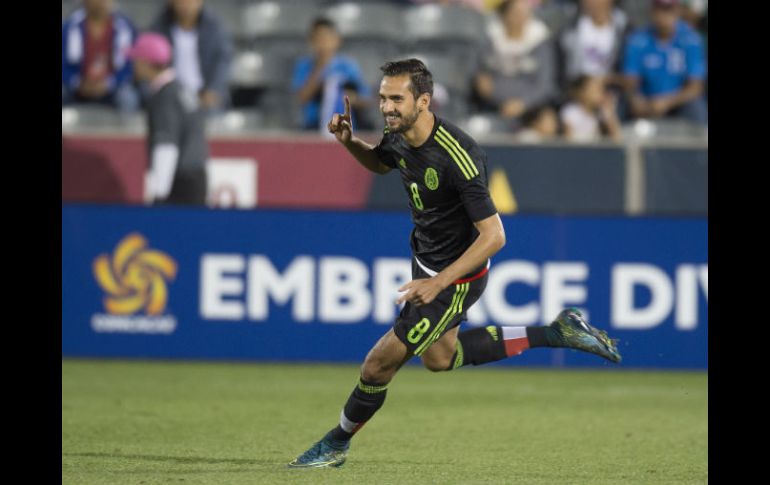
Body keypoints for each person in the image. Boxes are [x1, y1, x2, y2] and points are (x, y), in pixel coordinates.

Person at [288, 58, 621, 469]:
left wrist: (441, 283)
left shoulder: (457, 156)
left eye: (396, 98)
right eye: (382, 98)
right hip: (427, 263)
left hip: (457, 274)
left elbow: (495, 236)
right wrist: (349, 143)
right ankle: (555, 333)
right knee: (440, 358)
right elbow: (380, 163)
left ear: (423, 100)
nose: (386, 107)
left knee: (377, 366)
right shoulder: (399, 135)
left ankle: (335, 444)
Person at [125, 33, 209, 206]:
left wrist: (159, 194)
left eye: (136, 59)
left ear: (146, 62)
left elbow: (166, 145)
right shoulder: (181, 89)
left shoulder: (164, 96)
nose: (133, 64)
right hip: (196, 177)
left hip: (179, 183)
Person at [620, 0, 707, 124]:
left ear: (678, 11)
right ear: (652, 11)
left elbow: (696, 86)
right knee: (622, 104)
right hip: (647, 101)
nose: (665, 15)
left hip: (678, 102)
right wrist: (637, 100)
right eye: (660, 9)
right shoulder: (638, 39)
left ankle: (700, 142)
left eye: (669, 9)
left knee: (696, 107)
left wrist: (666, 102)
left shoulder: (691, 39)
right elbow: (630, 81)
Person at [472, 0, 557, 125]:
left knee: (547, 122)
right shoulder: (490, 37)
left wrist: (522, 104)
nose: (520, 18)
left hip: (531, 109)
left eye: (524, 13)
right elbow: (479, 73)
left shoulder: (540, 41)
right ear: (504, 15)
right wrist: (481, 81)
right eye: (515, 13)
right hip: (493, 106)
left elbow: (545, 85)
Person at [150, 0, 233, 114]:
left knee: (213, 112)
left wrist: (213, 89)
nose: (186, 6)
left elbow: (223, 61)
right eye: (181, 2)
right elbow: (149, 66)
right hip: (170, 94)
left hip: (204, 93)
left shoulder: (214, 26)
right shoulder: (159, 27)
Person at [292, 17, 372, 132]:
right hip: (314, 126)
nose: (323, 43)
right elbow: (302, 98)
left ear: (337, 40)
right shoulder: (304, 65)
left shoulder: (348, 65)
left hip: (345, 124)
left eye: (327, 38)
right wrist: (321, 67)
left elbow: (365, 99)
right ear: (311, 42)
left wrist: (351, 99)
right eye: (318, 38)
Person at [62, 0, 139, 113]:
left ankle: (123, 130)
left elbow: (130, 66)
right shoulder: (70, 26)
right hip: (78, 86)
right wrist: (78, 83)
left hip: (113, 87)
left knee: (128, 97)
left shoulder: (125, 27)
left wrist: (109, 83)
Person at [556, 0, 630, 91]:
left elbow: (629, 76)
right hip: (576, 94)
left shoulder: (626, 32)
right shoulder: (568, 31)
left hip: (612, 93)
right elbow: (562, 73)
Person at [560, 75, 621, 142]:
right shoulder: (571, 111)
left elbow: (617, 139)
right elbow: (568, 141)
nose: (599, 93)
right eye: (594, 89)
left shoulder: (601, 112)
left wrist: (609, 113)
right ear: (581, 92)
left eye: (600, 89)